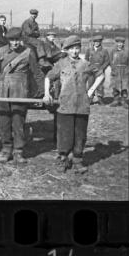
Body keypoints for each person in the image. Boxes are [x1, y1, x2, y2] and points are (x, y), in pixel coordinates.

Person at [44, 35, 102, 174]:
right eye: (71, 49)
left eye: (77, 48)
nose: (75, 51)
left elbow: (100, 75)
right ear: (67, 50)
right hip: (65, 106)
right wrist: (47, 93)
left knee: (80, 134)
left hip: (82, 105)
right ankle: (63, 158)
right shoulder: (61, 64)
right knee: (65, 134)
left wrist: (91, 91)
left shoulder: (85, 64)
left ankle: (77, 159)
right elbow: (48, 77)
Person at [0, 27, 44, 164]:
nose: (15, 43)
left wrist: (43, 92)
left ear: (21, 40)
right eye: (12, 40)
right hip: (2, 92)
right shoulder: (0, 52)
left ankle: (18, 151)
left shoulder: (28, 52)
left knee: (18, 122)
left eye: (17, 40)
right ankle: (6, 149)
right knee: (4, 123)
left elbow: (36, 73)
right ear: (8, 40)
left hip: (20, 92)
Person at [84, 34, 110, 105]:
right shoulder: (89, 50)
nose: (97, 43)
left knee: (100, 85)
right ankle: (90, 98)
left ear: (101, 42)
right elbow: (86, 60)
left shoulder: (104, 51)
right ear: (93, 42)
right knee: (91, 84)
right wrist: (88, 67)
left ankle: (100, 99)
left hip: (100, 69)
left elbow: (107, 61)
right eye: (95, 41)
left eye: (98, 41)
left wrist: (102, 69)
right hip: (91, 70)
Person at [109, 36, 129, 108]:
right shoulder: (113, 51)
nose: (120, 44)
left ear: (123, 44)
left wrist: (128, 70)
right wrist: (113, 69)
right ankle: (116, 100)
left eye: (121, 43)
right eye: (118, 43)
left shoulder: (127, 51)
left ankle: (124, 101)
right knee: (115, 85)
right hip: (116, 70)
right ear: (116, 43)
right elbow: (110, 61)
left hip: (125, 70)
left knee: (124, 86)